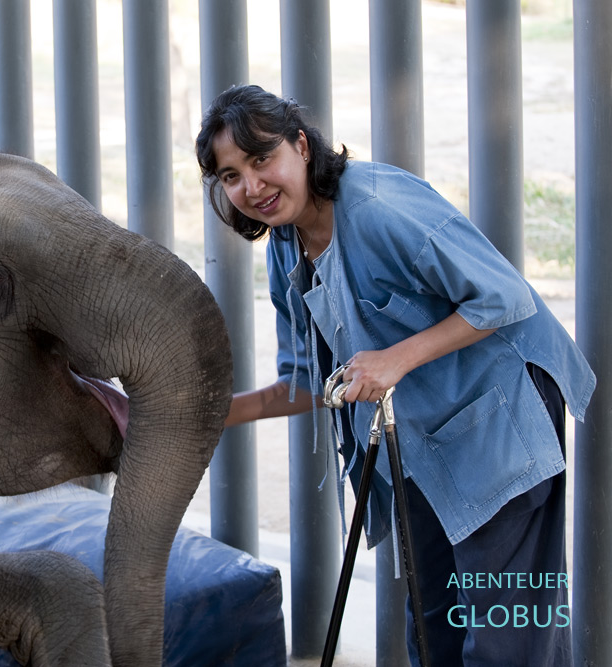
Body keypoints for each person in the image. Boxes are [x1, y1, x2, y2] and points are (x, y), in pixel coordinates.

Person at [196, 84, 594, 666]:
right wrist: (207, 414)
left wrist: (395, 359)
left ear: (301, 147)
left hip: (499, 421)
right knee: (433, 627)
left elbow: (503, 296)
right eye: (231, 176)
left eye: (262, 160)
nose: (251, 187)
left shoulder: (377, 205)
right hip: (419, 440)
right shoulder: (286, 247)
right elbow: (309, 383)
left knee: (507, 632)